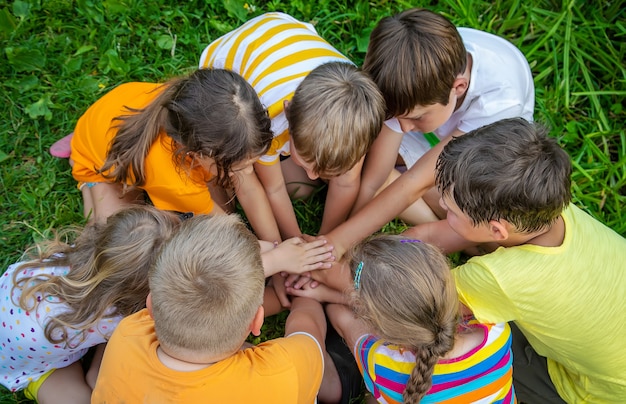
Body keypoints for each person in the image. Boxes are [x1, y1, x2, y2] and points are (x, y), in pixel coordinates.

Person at [430, 118, 625, 403]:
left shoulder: (499, 278)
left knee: (450, 342)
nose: (441, 206)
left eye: (450, 210)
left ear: (497, 230)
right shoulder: (553, 209)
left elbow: (420, 296)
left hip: (594, 393)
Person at [92, 213, 327, 403]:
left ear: (150, 305)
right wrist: (306, 295)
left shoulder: (127, 334)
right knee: (328, 383)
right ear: (257, 322)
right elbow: (309, 334)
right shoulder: (278, 372)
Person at [199, 12, 385, 241]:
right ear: (288, 114)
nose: (313, 175)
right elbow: (273, 189)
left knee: (303, 186)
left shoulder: (357, 118)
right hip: (231, 69)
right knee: (292, 185)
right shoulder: (266, 120)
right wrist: (294, 243)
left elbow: (347, 182)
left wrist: (324, 242)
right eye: (308, 164)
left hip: (290, 43)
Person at [352, 7, 534, 226]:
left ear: (458, 87)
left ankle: (443, 230)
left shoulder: (500, 102)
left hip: (482, 154)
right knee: (363, 154)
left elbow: (413, 183)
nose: (404, 126)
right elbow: (374, 179)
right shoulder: (412, 68)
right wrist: (349, 220)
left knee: (469, 211)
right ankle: (439, 224)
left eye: (416, 117)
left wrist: (344, 238)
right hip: (438, 132)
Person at [290, 235, 515, 403]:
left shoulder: (383, 364)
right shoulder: (497, 331)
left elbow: (343, 320)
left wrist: (323, 295)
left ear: (374, 322)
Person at [0, 206, 179, 403]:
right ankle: (92, 375)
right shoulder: (113, 318)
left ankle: (94, 370)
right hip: (34, 367)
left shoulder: (80, 255)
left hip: (22, 324)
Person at [69, 68, 273, 231]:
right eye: (240, 166)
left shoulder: (191, 104)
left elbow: (249, 190)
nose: (249, 171)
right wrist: (278, 256)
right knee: (115, 236)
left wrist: (276, 244)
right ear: (195, 155)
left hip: (110, 120)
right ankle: (87, 179)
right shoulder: (179, 184)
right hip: (97, 162)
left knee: (226, 206)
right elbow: (229, 232)